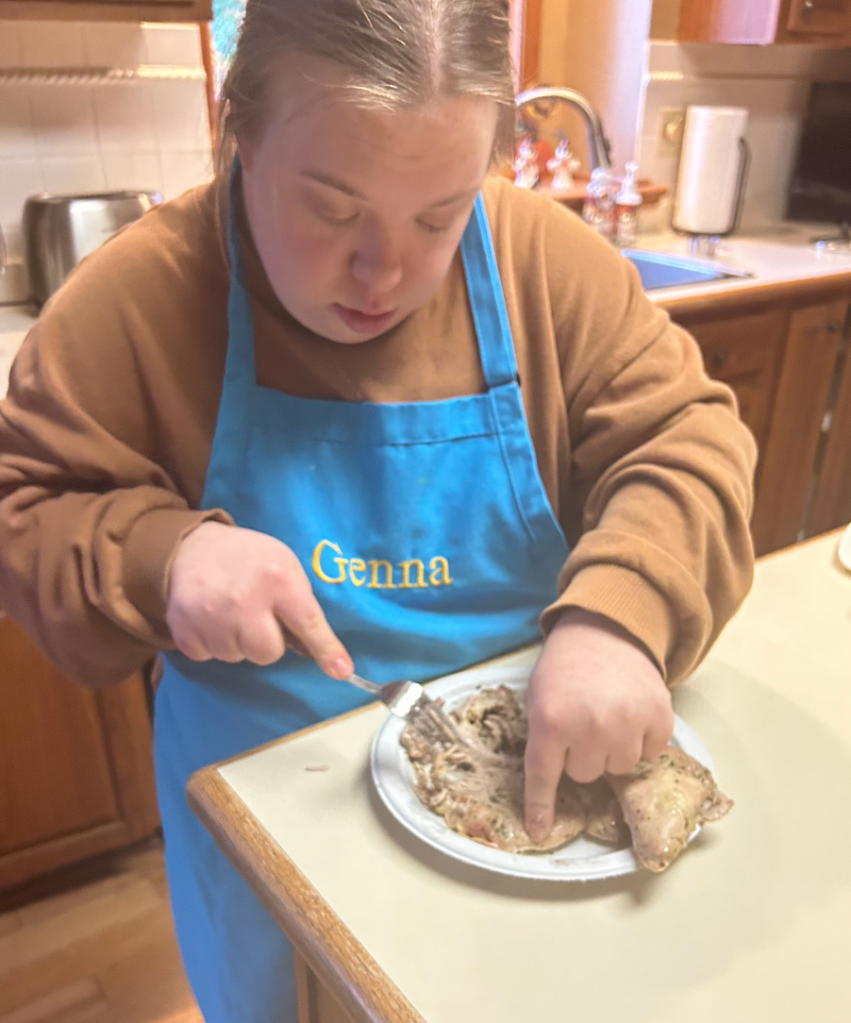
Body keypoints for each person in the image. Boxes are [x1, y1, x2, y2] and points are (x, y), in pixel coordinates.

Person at [0, 0, 756, 1019]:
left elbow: (686, 438)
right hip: (275, 834)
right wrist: (158, 557)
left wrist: (619, 617)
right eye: (330, 209)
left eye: (439, 216)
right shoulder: (137, 298)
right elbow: (26, 505)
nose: (383, 273)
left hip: (543, 794)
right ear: (240, 130)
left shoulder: (542, 264)